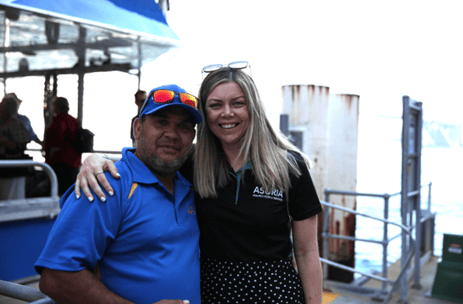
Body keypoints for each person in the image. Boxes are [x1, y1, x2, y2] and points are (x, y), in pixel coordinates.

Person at [75, 63, 323, 303]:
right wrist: (97, 160)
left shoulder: (289, 166)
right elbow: (144, 158)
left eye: (238, 103)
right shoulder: (191, 162)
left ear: (253, 108)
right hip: (212, 292)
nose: (227, 113)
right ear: (205, 115)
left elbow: (307, 252)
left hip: (275, 293)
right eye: (216, 105)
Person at [35, 84, 203, 304]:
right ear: (138, 129)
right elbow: (56, 278)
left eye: (184, 126)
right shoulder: (105, 183)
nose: (172, 134)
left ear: (192, 136)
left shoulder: (192, 186)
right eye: (161, 122)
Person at [43, 97, 82, 196]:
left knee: (57, 191)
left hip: (60, 162)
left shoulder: (57, 121)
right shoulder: (75, 121)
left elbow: (57, 138)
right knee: (70, 191)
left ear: (55, 106)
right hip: (74, 162)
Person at [0, 94, 32, 200]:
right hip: (4, 167)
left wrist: (4, 141)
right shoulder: (2, 124)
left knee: (10, 197)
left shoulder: (15, 124)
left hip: (12, 168)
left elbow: (21, 145)